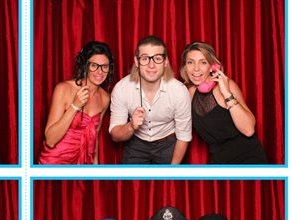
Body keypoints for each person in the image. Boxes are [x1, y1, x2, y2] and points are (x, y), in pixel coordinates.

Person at [180, 41, 268, 164]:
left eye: (203, 62)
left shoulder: (227, 86)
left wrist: (226, 93)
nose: (196, 68)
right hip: (219, 160)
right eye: (190, 62)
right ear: (185, 67)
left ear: (212, 66)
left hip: (248, 158)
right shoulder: (189, 93)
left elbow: (249, 130)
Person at [109, 35, 192, 164]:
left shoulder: (179, 91)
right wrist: (131, 126)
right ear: (137, 62)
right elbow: (115, 135)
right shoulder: (122, 88)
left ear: (165, 62)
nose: (151, 65)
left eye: (157, 58)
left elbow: (184, 136)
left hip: (168, 144)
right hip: (136, 144)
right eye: (145, 58)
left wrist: (173, 170)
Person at [38, 40, 113, 164]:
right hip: (55, 163)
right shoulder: (64, 89)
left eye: (105, 66)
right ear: (85, 66)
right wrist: (74, 106)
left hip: (83, 165)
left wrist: (96, 168)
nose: (100, 72)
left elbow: (94, 137)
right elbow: (50, 140)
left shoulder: (105, 98)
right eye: (94, 65)